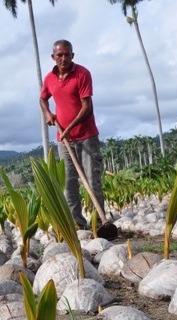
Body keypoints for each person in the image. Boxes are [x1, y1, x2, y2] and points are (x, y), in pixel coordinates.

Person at [40, 39, 105, 229]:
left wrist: (69, 128)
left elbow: (87, 107)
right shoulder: (49, 79)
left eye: (67, 54)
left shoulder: (82, 74)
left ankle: (100, 222)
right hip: (64, 141)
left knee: (92, 179)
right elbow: (42, 98)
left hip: (86, 136)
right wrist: (48, 113)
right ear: (53, 57)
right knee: (69, 183)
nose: (63, 58)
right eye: (59, 55)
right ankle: (77, 222)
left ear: (72, 55)